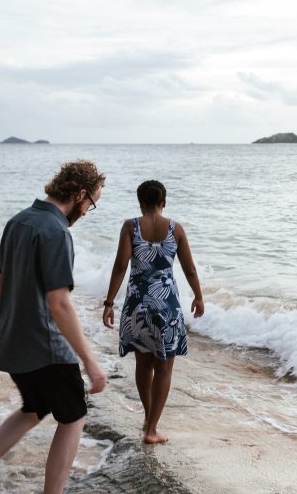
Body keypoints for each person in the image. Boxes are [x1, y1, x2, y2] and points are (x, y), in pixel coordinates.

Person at [0, 160, 108, 494]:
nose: (88, 210)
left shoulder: (18, 221)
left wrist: (23, 316)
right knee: (73, 416)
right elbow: (60, 304)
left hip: (13, 340)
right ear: (80, 194)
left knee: (33, 408)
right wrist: (91, 362)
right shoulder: (56, 232)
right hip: (46, 345)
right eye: (91, 203)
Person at [102, 180, 204, 444]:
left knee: (143, 364)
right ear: (164, 202)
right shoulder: (175, 229)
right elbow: (190, 269)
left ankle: (148, 419)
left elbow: (120, 267)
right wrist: (199, 296)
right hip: (166, 305)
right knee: (165, 367)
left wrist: (109, 302)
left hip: (137, 304)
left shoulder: (130, 226)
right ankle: (151, 429)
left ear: (140, 202)